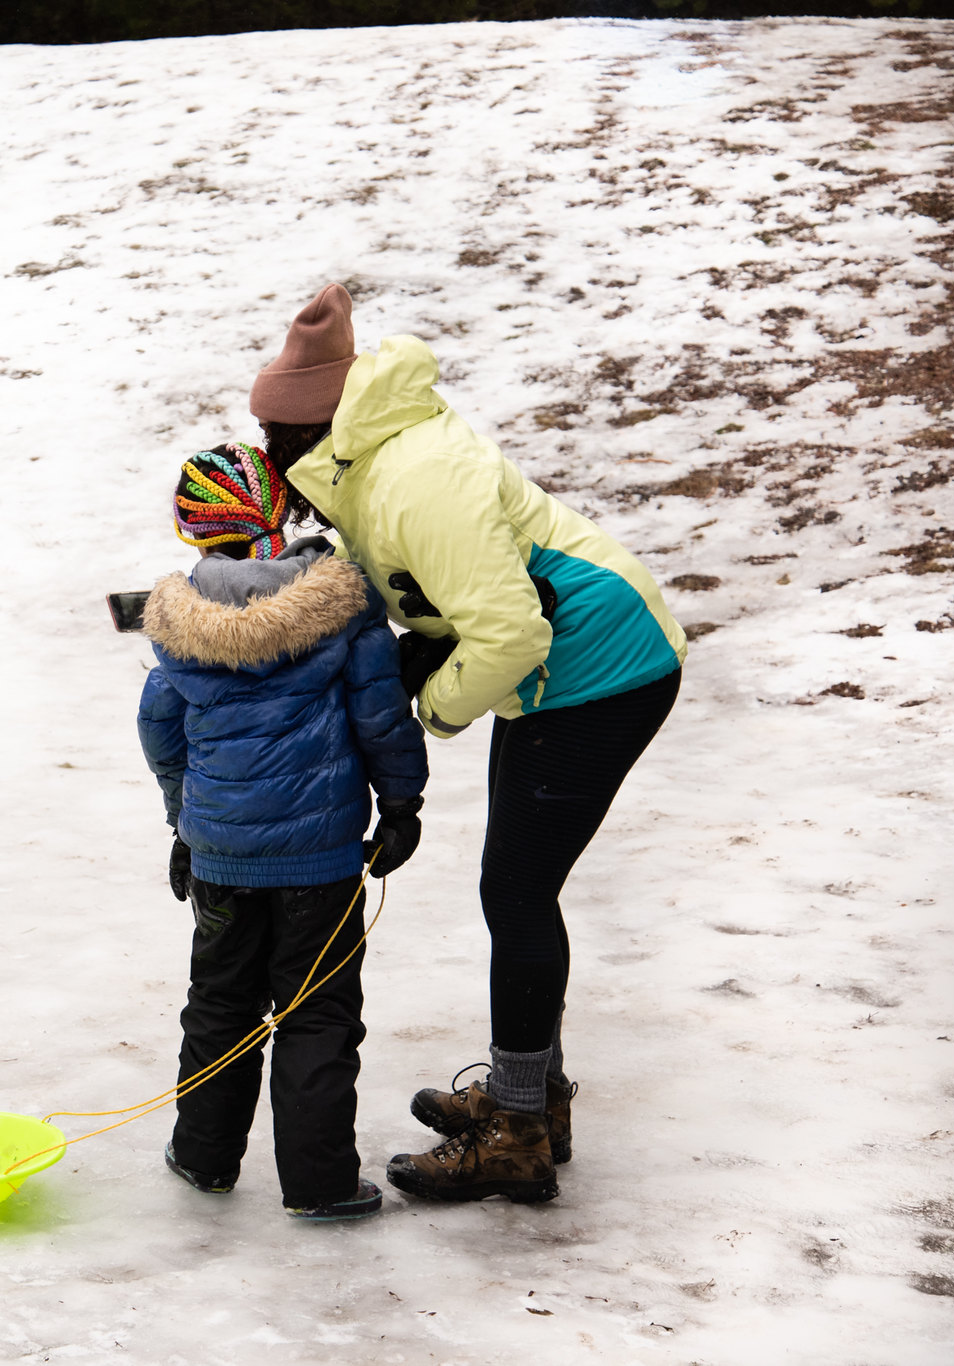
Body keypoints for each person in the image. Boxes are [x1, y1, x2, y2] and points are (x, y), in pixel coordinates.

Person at [246, 283, 688, 1204]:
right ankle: (535, 1095)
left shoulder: (413, 479)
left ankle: (518, 1132)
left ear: (310, 427)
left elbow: (511, 636)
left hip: (598, 671)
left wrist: (433, 710)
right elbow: (432, 593)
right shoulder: (369, 463)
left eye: (272, 438)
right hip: (554, 671)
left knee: (516, 891)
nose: (266, 456)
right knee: (517, 887)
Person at [136, 442, 428, 1221]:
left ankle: (202, 1157)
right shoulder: (340, 606)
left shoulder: (179, 621)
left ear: (193, 530)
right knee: (318, 1012)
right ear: (279, 510)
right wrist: (401, 807)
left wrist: (184, 824)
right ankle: (320, 1181)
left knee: (219, 1003)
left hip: (222, 858)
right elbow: (380, 719)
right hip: (320, 861)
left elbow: (160, 729)